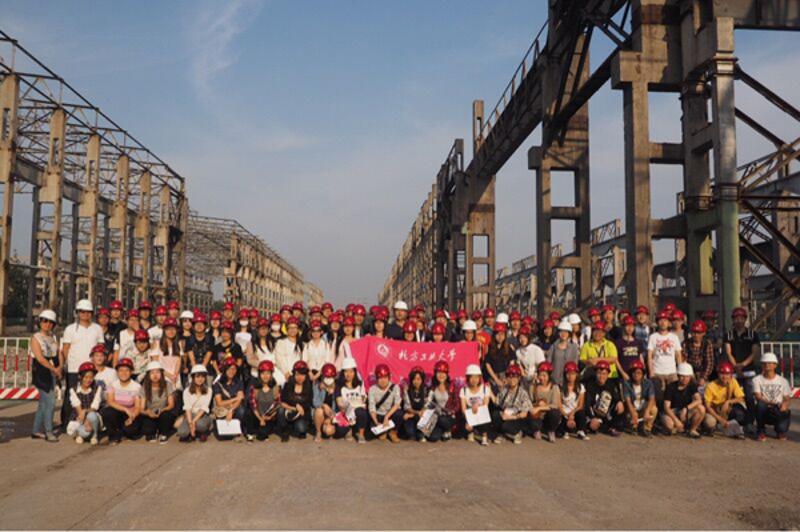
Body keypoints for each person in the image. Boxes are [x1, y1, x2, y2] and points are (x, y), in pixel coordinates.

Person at [60, 299, 104, 430]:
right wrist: (67, 364)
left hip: (91, 369)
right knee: (70, 396)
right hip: (74, 368)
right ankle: (66, 423)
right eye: (82, 312)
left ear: (92, 313)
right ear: (77, 313)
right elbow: (66, 348)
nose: (85, 314)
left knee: (92, 396)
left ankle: (91, 423)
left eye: (88, 312)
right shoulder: (70, 329)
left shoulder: (97, 328)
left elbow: (100, 348)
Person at [724, 307, 760, 426]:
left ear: (745, 319)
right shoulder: (728, 335)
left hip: (749, 370)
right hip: (733, 371)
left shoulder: (753, 334)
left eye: (741, 318)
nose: (738, 320)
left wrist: (743, 365)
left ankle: (750, 422)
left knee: (749, 397)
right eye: (736, 318)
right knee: (732, 396)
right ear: (733, 320)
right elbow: (728, 352)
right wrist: (736, 366)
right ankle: (736, 420)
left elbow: (754, 352)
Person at [30, 309, 61, 442]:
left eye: (50, 322)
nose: (47, 324)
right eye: (45, 321)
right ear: (40, 322)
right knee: (50, 402)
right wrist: (54, 369)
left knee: (43, 403)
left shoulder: (53, 338)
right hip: (41, 372)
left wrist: (60, 367)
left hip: (52, 371)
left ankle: (36, 430)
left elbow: (58, 353)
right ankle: (49, 431)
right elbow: (40, 358)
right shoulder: (36, 338)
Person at [100, 358, 142, 444]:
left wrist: (132, 416)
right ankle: (113, 437)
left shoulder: (136, 386)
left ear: (131, 372)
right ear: (117, 372)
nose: (124, 373)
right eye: (121, 370)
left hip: (131, 414)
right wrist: (125, 409)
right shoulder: (112, 384)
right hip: (117, 412)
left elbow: (138, 407)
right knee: (107, 412)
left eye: (127, 370)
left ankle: (121, 432)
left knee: (131, 432)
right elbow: (110, 401)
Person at [752, 352, 792, 441]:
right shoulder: (756, 380)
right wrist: (772, 403)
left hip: (778, 409)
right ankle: (761, 431)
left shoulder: (783, 381)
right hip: (765, 409)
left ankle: (780, 431)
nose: (767, 365)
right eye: (764, 363)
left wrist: (785, 404)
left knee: (783, 422)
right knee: (760, 405)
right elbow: (758, 397)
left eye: (770, 363)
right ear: (762, 365)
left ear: (775, 365)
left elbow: (787, 398)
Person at [703, 361, 747, 438]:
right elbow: (708, 406)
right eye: (722, 374)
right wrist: (720, 419)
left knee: (740, 412)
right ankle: (712, 426)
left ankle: (735, 429)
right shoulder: (711, 386)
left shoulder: (733, 381)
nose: (724, 377)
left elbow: (741, 398)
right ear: (718, 374)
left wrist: (728, 401)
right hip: (714, 410)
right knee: (710, 423)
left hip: (726, 409)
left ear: (731, 375)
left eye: (727, 374)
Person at [492, 364, 532, 444]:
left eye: (514, 377)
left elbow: (524, 414)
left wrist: (510, 417)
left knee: (506, 426)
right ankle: (501, 434)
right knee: (495, 415)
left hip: (517, 417)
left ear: (519, 378)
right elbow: (497, 402)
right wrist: (489, 392)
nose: (512, 379)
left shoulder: (523, 392)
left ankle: (517, 433)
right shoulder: (504, 390)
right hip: (506, 414)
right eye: (509, 377)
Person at [662, 363, 705, 438]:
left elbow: (699, 400)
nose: (685, 379)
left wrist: (686, 408)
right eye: (682, 376)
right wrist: (676, 420)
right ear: (678, 376)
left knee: (701, 408)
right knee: (669, 425)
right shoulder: (671, 387)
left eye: (687, 376)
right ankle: (676, 427)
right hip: (672, 411)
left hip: (683, 411)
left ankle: (692, 430)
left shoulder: (692, 385)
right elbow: (666, 407)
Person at [647, 310, 682, 400]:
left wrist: (680, 370)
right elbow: (649, 356)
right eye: (661, 320)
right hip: (657, 372)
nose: (663, 323)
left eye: (665, 320)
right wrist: (651, 371)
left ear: (669, 323)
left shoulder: (674, 337)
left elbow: (678, 355)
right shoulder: (653, 337)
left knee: (673, 397)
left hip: (672, 372)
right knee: (659, 398)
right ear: (657, 322)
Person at [138, 361, 176, 443]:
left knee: (166, 416)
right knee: (147, 430)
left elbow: (171, 404)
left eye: (158, 372)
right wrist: (147, 412)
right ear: (148, 375)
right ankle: (154, 431)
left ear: (162, 374)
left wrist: (162, 410)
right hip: (150, 413)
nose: (155, 375)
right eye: (152, 373)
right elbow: (141, 408)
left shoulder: (167, 385)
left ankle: (163, 433)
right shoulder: (144, 387)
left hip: (163, 412)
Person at [584, 359, 625, 437]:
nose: (601, 376)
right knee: (592, 426)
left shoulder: (611, 385)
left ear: (607, 375)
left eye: (604, 374)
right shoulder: (590, 385)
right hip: (593, 413)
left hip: (605, 413)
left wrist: (619, 402)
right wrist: (593, 418)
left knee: (620, 407)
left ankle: (610, 426)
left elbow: (616, 397)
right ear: (595, 373)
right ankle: (601, 426)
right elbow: (587, 404)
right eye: (599, 373)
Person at [245, 360, 281, 442]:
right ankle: (250, 432)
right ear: (259, 374)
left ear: (271, 374)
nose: (265, 376)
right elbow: (253, 406)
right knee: (248, 411)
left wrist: (269, 417)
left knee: (262, 436)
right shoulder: (254, 387)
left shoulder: (275, 388)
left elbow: (277, 404)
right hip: (257, 416)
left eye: (268, 373)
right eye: (263, 373)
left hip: (269, 417)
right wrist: (261, 418)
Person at [68, 361, 102, 445]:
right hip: (79, 416)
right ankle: (81, 434)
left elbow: (95, 406)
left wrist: (85, 413)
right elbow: (78, 408)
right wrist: (84, 420)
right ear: (80, 376)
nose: (88, 380)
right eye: (86, 377)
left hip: (92, 415)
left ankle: (94, 435)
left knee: (92, 415)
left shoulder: (97, 388)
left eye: (91, 377)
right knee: (84, 432)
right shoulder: (73, 390)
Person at [335, 358, 368, 443]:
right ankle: (349, 429)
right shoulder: (339, 385)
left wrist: (360, 403)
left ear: (355, 372)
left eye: (351, 371)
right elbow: (339, 403)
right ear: (343, 373)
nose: (348, 374)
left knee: (361, 412)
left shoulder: (360, 384)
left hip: (358, 412)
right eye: (346, 371)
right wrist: (346, 408)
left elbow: (363, 398)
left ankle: (361, 434)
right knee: (340, 430)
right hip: (345, 412)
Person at [177, 365, 214, 442]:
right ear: (193, 377)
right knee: (182, 433)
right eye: (197, 376)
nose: (200, 379)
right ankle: (192, 432)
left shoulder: (209, 390)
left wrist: (194, 422)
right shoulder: (186, 391)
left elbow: (204, 407)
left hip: (202, 415)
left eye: (202, 376)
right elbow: (187, 407)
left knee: (200, 425)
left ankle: (202, 432)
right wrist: (190, 424)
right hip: (190, 414)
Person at [367, 364, 403, 442]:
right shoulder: (372, 389)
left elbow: (397, 404)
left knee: (399, 414)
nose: (383, 380)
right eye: (380, 378)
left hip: (390, 414)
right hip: (378, 415)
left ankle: (393, 432)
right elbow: (372, 407)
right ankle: (383, 431)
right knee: (379, 436)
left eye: (385, 377)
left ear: (389, 377)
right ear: (376, 378)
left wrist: (387, 416)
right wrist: (376, 422)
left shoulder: (395, 387)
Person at [424, 360, 458, 442]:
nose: (441, 375)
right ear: (435, 373)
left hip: (448, 417)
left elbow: (457, 404)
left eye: (443, 373)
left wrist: (452, 411)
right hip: (436, 416)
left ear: (447, 374)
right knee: (433, 438)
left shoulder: (452, 387)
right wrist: (426, 403)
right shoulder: (432, 387)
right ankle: (442, 431)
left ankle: (447, 429)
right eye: (439, 373)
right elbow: (428, 404)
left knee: (443, 419)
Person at [279, 360, 314, 441]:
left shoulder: (309, 386)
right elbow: (283, 400)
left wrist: (299, 407)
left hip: (302, 413)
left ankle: (299, 428)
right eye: (297, 374)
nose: (300, 377)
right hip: (289, 410)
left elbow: (309, 402)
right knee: (280, 410)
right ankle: (284, 430)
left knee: (301, 428)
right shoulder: (288, 384)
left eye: (302, 374)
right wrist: (296, 406)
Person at [213, 356, 246, 439]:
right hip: (222, 408)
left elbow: (240, 399)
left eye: (234, 369)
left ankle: (237, 429)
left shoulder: (239, 382)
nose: (232, 371)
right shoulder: (218, 384)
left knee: (241, 411)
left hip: (234, 407)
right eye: (229, 369)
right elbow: (219, 403)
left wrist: (231, 410)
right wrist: (235, 399)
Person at [460, 364, 493, 445]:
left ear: (479, 378)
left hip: (481, 414)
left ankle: (484, 437)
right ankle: (471, 432)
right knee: (463, 424)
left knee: (485, 414)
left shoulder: (485, 389)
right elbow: (463, 409)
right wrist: (469, 421)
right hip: (469, 414)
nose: (474, 380)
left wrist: (477, 407)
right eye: (471, 377)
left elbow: (485, 406)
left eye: (476, 377)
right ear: (468, 378)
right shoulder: (463, 390)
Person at [623, 359, 657, 437]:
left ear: (642, 374)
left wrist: (647, 411)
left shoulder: (648, 383)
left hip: (643, 407)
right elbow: (627, 400)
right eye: (634, 372)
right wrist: (632, 412)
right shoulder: (627, 383)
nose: (636, 375)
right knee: (631, 415)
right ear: (631, 373)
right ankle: (634, 428)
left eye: (639, 373)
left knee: (654, 409)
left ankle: (647, 429)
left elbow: (652, 398)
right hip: (632, 407)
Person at [530, 361, 562, 442]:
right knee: (530, 412)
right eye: (540, 375)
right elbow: (530, 401)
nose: (542, 378)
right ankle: (536, 429)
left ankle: (551, 430)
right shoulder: (533, 386)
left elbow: (555, 405)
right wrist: (532, 385)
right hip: (538, 416)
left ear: (549, 376)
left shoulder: (554, 387)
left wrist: (540, 408)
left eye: (544, 375)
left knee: (555, 412)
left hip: (548, 415)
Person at [559, 361, 588, 440]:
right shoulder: (561, 387)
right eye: (568, 374)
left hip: (575, 411)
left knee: (581, 412)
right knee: (560, 417)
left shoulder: (580, 387)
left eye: (572, 374)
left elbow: (580, 405)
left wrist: (572, 414)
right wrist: (567, 415)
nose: (570, 376)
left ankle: (581, 431)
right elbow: (559, 405)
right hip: (564, 412)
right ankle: (565, 431)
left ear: (576, 375)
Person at [683, 320, 715, 388]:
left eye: (698, 333)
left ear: (703, 333)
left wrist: (703, 377)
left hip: (703, 372)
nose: (696, 335)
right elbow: (684, 360)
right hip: (688, 373)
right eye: (694, 332)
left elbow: (709, 363)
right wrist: (690, 375)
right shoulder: (686, 343)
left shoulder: (707, 344)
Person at [312, 363, 339, 441]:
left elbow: (338, 406)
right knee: (319, 410)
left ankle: (327, 427)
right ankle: (318, 432)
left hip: (332, 415)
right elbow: (315, 402)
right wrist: (324, 406)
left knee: (329, 431)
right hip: (320, 415)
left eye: (330, 377)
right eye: (326, 377)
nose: (328, 379)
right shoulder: (317, 386)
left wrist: (331, 416)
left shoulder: (337, 387)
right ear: (322, 376)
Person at [484, 323, 514, 391]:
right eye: (498, 334)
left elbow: (512, 363)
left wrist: (507, 378)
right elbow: (487, 365)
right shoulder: (490, 347)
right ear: (494, 335)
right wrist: (496, 379)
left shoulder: (508, 347)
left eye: (502, 334)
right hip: (493, 376)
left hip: (506, 375)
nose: (500, 337)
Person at [615, 316, 646, 381]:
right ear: (623, 327)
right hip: (624, 375)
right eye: (627, 326)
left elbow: (640, 357)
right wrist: (623, 373)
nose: (630, 328)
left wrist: (643, 371)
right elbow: (616, 360)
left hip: (636, 374)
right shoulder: (618, 342)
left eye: (632, 326)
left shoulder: (638, 342)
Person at [402, 366, 429, 441]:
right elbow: (407, 407)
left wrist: (419, 413)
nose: (416, 381)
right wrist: (415, 413)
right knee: (410, 434)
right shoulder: (407, 390)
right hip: (411, 415)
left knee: (422, 436)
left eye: (418, 379)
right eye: (414, 379)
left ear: (422, 380)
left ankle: (420, 433)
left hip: (422, 416)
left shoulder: (426, 390)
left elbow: (427, 405)